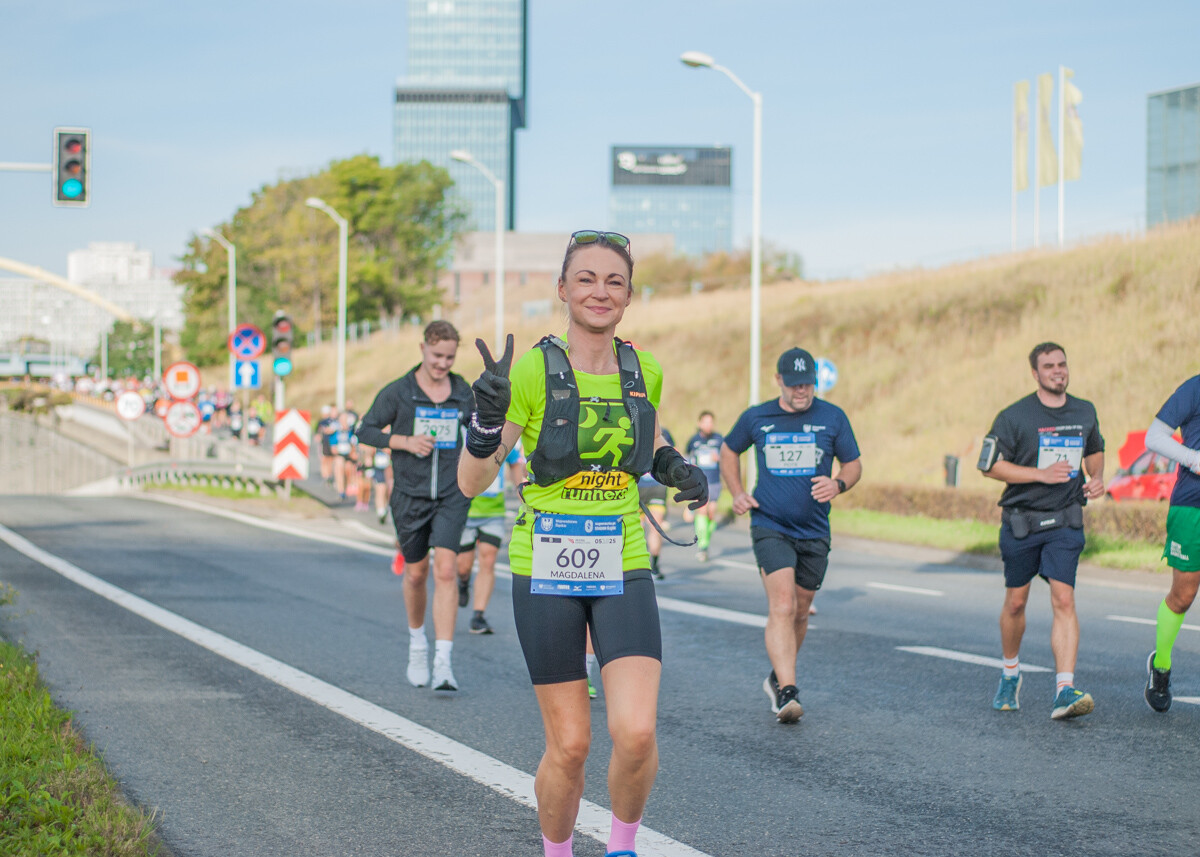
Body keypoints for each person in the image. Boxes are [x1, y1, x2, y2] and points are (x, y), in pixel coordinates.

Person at [457, 230, 707, 857]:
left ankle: (621, 847)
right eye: (587, 278)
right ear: (563, 289)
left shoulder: (642, 367)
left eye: (614, 280)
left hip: (621, 559)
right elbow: (472, 479)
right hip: (545, 566)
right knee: (570, 745)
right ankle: (558, 851)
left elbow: (642, 446)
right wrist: (486, 422)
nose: (601, 290)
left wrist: (675, 467)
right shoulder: (533, 369)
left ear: (629, 295)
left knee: (638, 732)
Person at [719, 347, 862, 723]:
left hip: (815, 529)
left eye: (808, 384)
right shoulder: (757, 417)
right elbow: (729, 450)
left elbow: (853, 463)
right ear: (778, 380)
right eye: (795, 384)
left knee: (800, 611)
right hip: (771, 525)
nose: (803, 391)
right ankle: (788, 693)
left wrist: (839, 484)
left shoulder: (832, 417)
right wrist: (736, 492)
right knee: (782, 606)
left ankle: (778, 677)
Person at [979, 342, 1105, 720]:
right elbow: (987, 465)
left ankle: (1064, 690)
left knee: (1064, 600)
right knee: (1016, 602)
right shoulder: (1014, 416)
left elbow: (1094, 450)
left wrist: (1096, 477)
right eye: (1049, 366)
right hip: (1022, 521)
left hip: (1065, 519)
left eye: (1062, 364)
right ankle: (1010, 673)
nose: (1058, 371)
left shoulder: (1084, 411)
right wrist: (1038, 474)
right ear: (1035, 373)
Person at [357, 320, 475, 692]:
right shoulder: (400, 392)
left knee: (445, 570)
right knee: (416, 574)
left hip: (452, 492)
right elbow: (365, 430)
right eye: (437, 355)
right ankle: (417, 642)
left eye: (450, 357)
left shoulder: (462, 392)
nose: (442, 364)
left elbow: (482, 430)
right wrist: (405, 442)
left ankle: (443, 661)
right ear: (423, 348)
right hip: (409, 493)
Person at [1142, 375, 1200, 712]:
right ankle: (1160, 666)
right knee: (1184, 594)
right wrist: (1194, 459)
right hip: (1192, 504)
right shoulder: (1194, 388)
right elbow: (1154, 437)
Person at [455, 441, 525, 635]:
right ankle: (463, 582)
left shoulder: (502, 433)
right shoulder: (468, 429)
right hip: (465, 510)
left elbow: (514, 461)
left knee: (488, 560)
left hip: (494, 510)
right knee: (463, 566)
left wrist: (521, 489)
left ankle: (478, 615)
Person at [685, 411, 723, 562]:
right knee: (702, 511)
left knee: (711, 514)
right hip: (699, 483)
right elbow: (687, 458)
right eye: (705, 422)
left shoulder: (719, 439)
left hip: (714, 481)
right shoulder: (694, 441)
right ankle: (703, 546)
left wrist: (718, 458)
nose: (708, 425)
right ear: (699, 423)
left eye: (710, 422)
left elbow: (726, 458)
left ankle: (704, 538)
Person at [637, 427, 674, 580]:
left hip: (638, 485)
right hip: (656, 486)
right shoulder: (663, 433)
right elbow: (672, 454)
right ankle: (654, 566)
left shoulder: (635, 427)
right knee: (655, 528)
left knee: (637, 528)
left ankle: (639, 566)